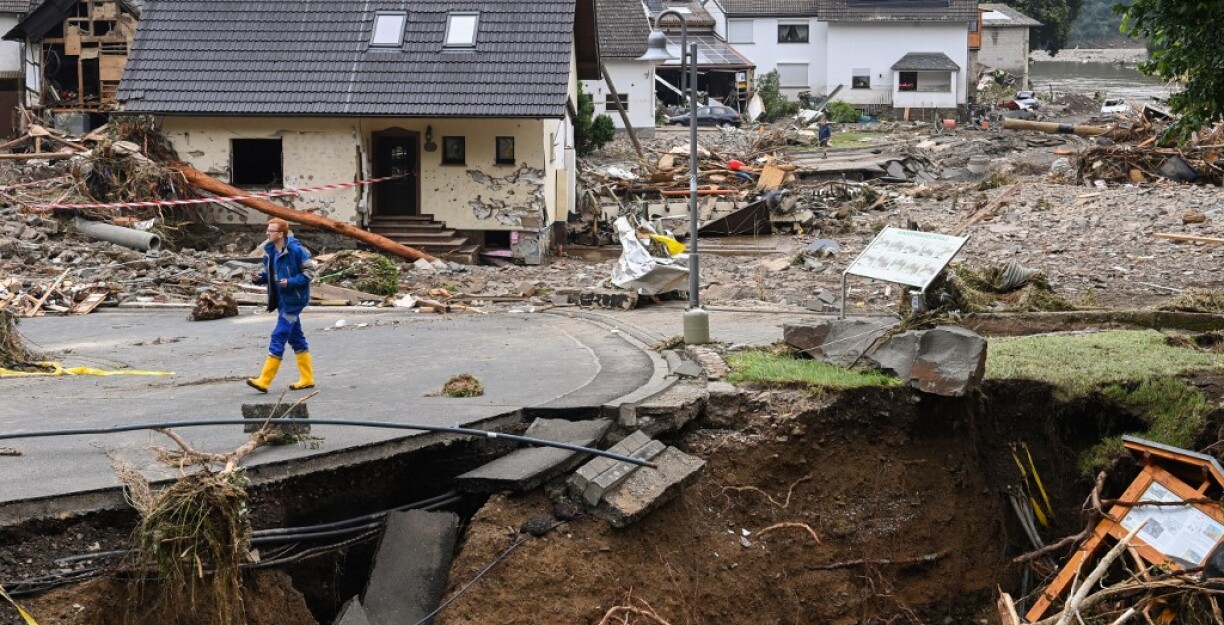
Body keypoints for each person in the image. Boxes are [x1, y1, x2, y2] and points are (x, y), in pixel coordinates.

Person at [246, 218, 317, 392]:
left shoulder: (296, 250)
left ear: (280, 234)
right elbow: (271, 273)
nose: (267, 233)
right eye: (267, 230)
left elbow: (309, 273)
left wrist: (290, 282)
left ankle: (264, 380)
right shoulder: (270, 251)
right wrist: (260, 278)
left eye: (270, 231)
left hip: (294, 300)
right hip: (281, 300)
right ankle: (307, 378)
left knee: (279, 335)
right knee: (296, 338)